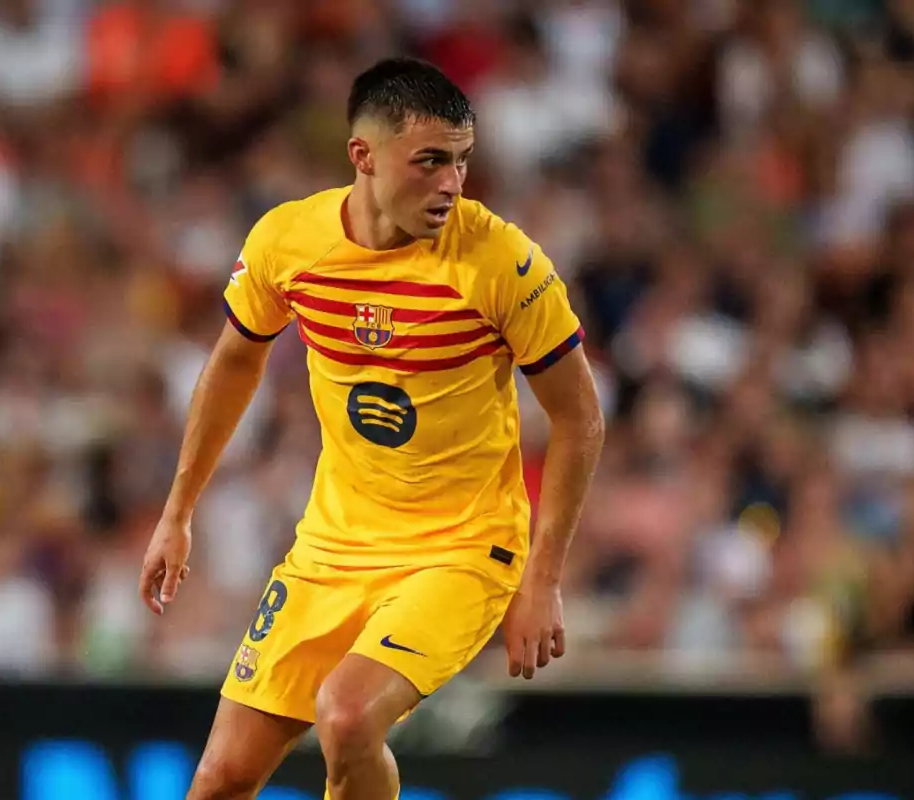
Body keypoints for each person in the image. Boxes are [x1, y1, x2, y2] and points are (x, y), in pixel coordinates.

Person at [138, 57, 605, 800]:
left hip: (459, 551)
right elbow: (233, 365)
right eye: (430, 161)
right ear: (364, 155)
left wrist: (543, 581)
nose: (452, 183)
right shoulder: (289, 243)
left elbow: (579, 418)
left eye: (461, 161)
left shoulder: (500, 264)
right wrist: (177, 513)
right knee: (220, 780)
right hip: (331, 548)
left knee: (347, 715)